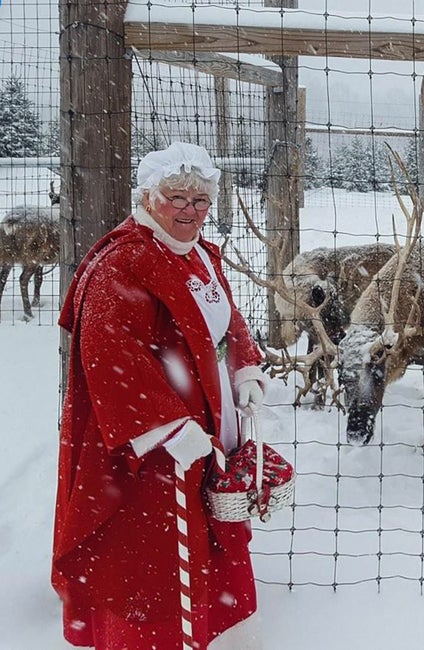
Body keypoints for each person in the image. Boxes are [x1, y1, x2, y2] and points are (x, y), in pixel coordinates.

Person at [53, 142, 268, 649]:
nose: (189, 211)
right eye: (176, 198)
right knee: (150, 552)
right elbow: (110, 353)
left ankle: (208, 624)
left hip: (208, 427)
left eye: (201, 201)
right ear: (148, 197)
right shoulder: (122, 263)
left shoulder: (201, 255)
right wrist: (166, 426)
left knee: (198, 533)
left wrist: (244, 371)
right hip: (149, 447)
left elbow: (227, 322)